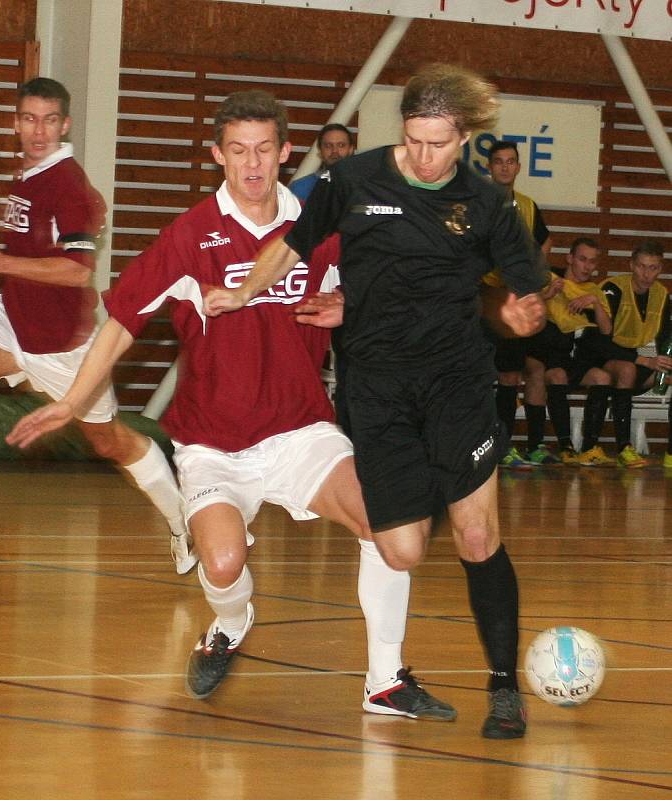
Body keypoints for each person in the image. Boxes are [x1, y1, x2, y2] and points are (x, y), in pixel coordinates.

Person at [7, 89, 456, 723]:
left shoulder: (320, 226)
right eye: (238, 151)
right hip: (213, 441)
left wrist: (353, 307)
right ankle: (230, 621)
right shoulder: (191, 235)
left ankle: (385, 681)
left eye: (265, 150)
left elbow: (387, 300)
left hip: (302, 431)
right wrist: (75, 400)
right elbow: (122, 319)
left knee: (387, 529)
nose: (252, 165)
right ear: (218, 155)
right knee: (221, 562)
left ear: (285, 153)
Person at [200, 65, 546, 739]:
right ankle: (433, 492)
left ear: (465, 137)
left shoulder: (486, 203)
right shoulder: (351, 180)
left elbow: (525, 294)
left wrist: (523, 314)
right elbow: (291, 245)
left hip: (455, 385)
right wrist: (241, 293)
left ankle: (503, 688)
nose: (422, 156)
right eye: (413, 139)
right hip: (377, 390)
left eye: (438, 143)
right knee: (403, 551)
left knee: (477, 535)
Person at [0, 77, 196, 575]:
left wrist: (1, 264)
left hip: (61, 344)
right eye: (28, 118)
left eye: (48, 120)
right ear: (15, 123)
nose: (37, 130)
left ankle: (182, 521)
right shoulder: (28, 174)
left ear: (64, 125)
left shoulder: (69, 188)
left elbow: (77, 270)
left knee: (110, 442)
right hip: (12, 320)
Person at [483, 140, 555, 468]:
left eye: (510, 161)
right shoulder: (478, 202)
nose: (505, 167)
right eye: (498, 162)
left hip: (514, 302)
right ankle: (480, 445)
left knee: (512, 376)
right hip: (484, 300)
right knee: (481, 374)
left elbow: (544, 241)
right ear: (489, 166)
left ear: (518, 166)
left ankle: (506, 445)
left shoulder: (527, 205)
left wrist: (534, 282)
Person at [576, 239, 670, 467]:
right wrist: (644, 360)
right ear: (631, 265)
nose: (646, 274)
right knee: (627, 369)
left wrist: (665, 362)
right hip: (593, 355)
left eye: (653, 268)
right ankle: (621, 447)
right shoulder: (613, 289)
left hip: (627, 356)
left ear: (661, 269)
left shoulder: (661, 294)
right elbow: (600, 342)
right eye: (641, 266)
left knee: (665, 375)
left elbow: (666, 336)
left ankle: (669, 454)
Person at [524, 237, 615, 466]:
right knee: (557, 375)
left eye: (592, 262)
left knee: (602, 377)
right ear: (570, 258)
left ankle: (589, 447)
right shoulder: (551, 280)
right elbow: (526, 311)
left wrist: (594, 302)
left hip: (579, 357)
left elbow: (606, 329)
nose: (587, 266)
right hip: (551, 355)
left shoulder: (595, 290)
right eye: (582, 259)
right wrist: (548, 295)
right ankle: (565, 446)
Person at [289, 123, 354, 201]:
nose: (334, 151)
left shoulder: (365, 186)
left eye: (341, 145)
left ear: (351, 149)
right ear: (320, 151)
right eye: (328, 146)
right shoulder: (301, 188)